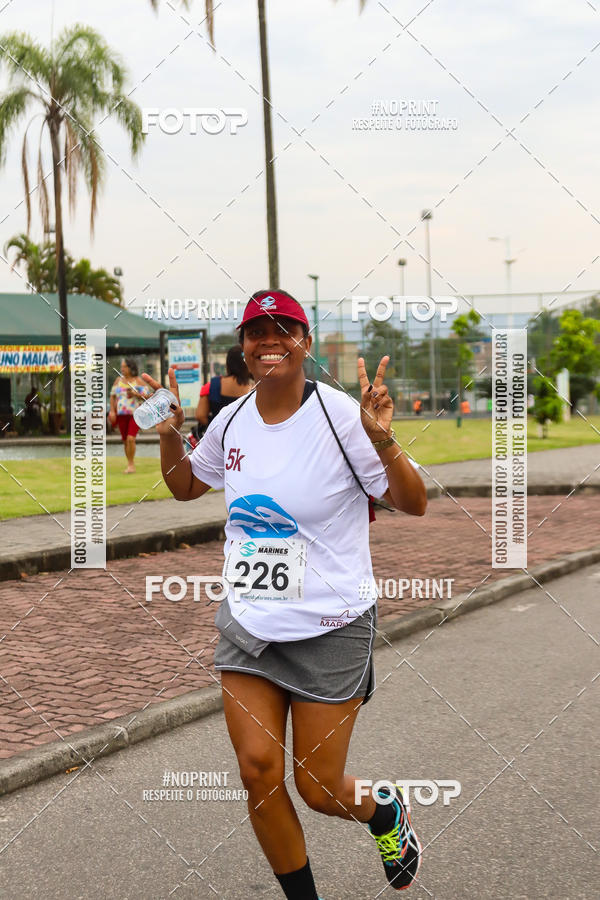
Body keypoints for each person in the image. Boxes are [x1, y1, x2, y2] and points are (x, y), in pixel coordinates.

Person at [142, 289, 427, 899]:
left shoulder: (342, 417)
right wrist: (169, 435)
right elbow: (186, 486)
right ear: (244, 347)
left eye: (283, 329)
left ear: (304, 342)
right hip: (249, 623)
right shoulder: (231, 420)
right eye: (256, 331)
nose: (269, 340)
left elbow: (414, 502)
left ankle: (384, 812)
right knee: (258, 772)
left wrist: (383, 440)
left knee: (318, 788)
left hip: (331, 624)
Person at [194, 345, 253, 438]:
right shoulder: (256, 387)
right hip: (245, 436)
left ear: (228, 364)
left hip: (219, 437)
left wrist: (215, 426)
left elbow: (200, 415)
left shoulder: (211, 385)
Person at [109, 358, 152, 473]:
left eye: (124, 366)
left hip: (135, 415)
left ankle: (131, 465)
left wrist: (135, 394)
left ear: (131, 367)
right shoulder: (118, 380)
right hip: (121, 415)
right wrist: (112, 411)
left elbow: (148, 396)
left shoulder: (138, 381)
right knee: (125, 441)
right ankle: (129, 463)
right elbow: (112, 396)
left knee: (131, 439)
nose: (122, 369)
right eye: (122, 366)